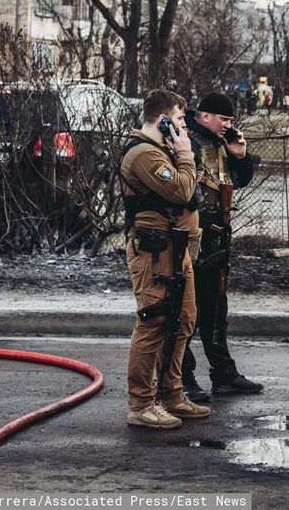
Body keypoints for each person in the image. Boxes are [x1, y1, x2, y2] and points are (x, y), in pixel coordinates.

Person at [121, 89, 211, 429]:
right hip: (153, 251)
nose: (182, 126)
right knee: (154, 321)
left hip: (176, 248)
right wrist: (185, 154)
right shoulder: (144, 154)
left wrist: (181, 154)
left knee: (184, 318)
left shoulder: (162, 151)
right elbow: (181, 190)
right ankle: (141, 403)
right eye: (176, 119)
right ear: (161, 120)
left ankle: (172, 394)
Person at [180, 91, 264, 401]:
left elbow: (240, 180)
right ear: (204, 116)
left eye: (230, 119)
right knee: (185, 310)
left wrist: (240, 155)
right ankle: (181, 375)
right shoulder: (188, 143)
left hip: (217, 236)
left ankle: (224, 374)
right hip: (192, 236)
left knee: (215, 309)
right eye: (222, 118)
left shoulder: (219, 145)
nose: (227, 124)